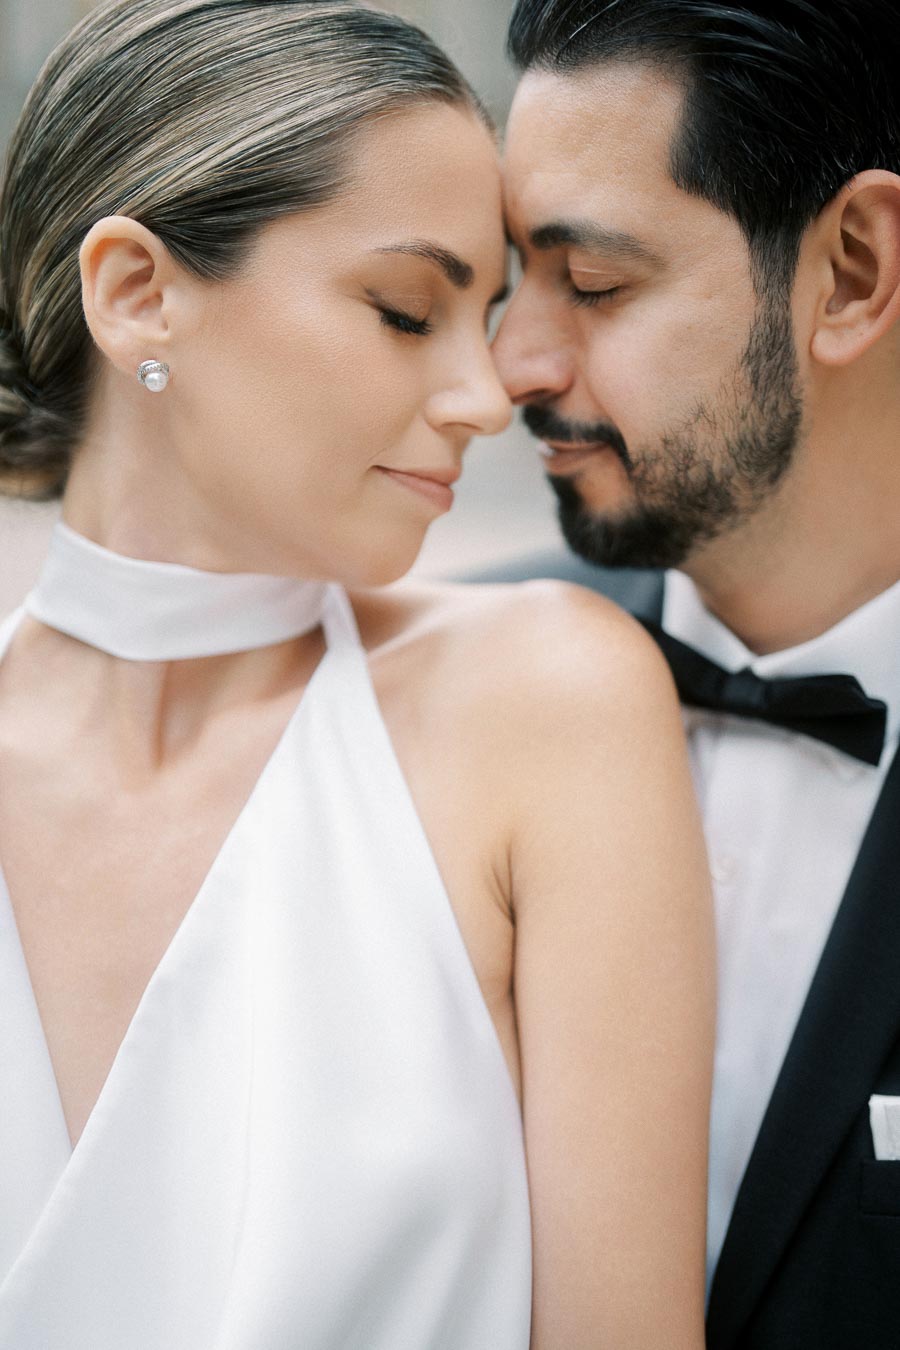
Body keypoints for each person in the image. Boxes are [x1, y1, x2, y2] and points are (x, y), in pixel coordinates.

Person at [0, 1, 714, 1346]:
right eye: (405, 310)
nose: (487, 393)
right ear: (136, 290)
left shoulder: (547, 705)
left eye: (484, 316)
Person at [490, 1, 900, 1346]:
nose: (513, 366)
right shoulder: (436, 695)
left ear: (850, 271)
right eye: (510, 278)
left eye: (594, 284)